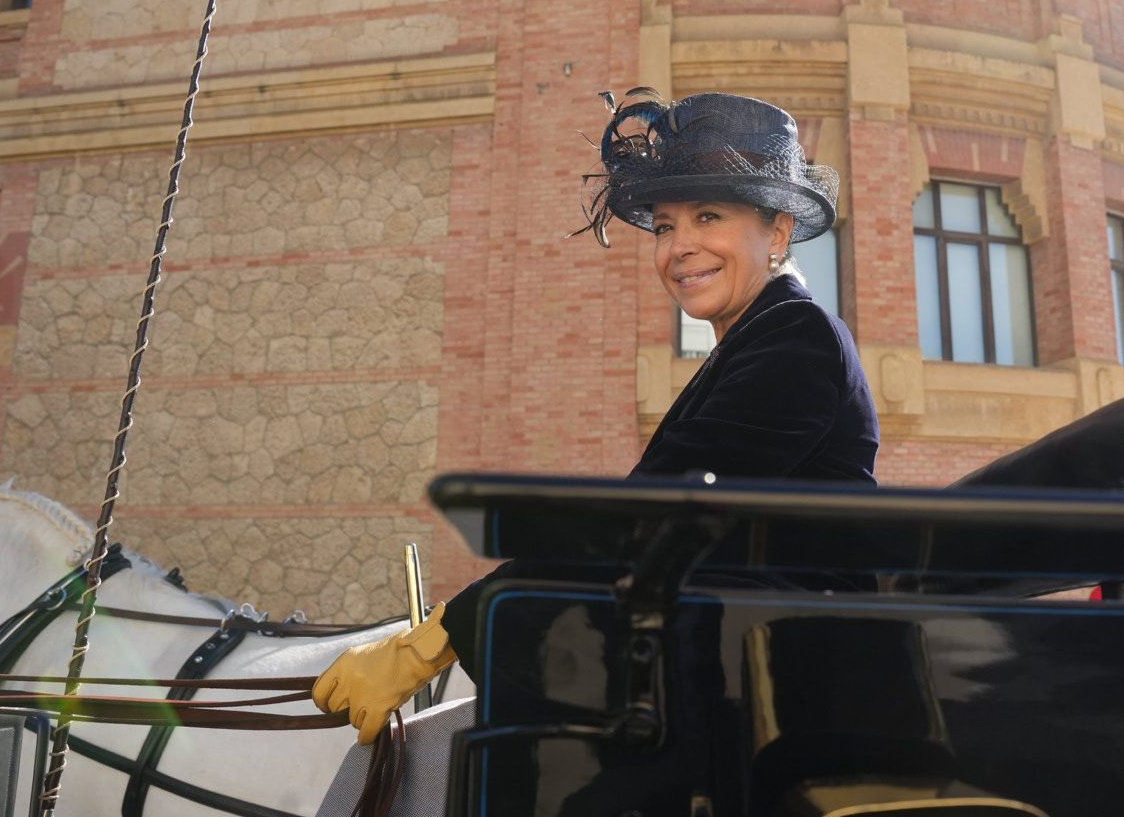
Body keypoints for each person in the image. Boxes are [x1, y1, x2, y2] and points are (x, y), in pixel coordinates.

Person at [312, 89, 880, 744]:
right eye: (666, 226)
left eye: (708, 216)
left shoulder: (797, 338)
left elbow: (649, 517)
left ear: (777, 228)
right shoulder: (760, 338)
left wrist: (433, 642)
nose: (679, 248)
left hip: (778, 687)